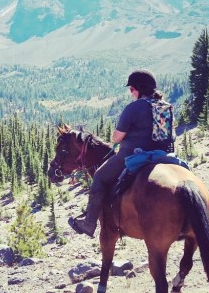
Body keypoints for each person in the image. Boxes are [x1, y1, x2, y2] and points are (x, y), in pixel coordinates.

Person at [68, 69, 172, 237]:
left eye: (131, 89)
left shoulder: (134, 107)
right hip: (163, 154)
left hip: (133, 154)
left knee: (100, 177)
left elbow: (116, 138)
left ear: (139, 88)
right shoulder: (165, 107)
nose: (131, 92)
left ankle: (88, 224)